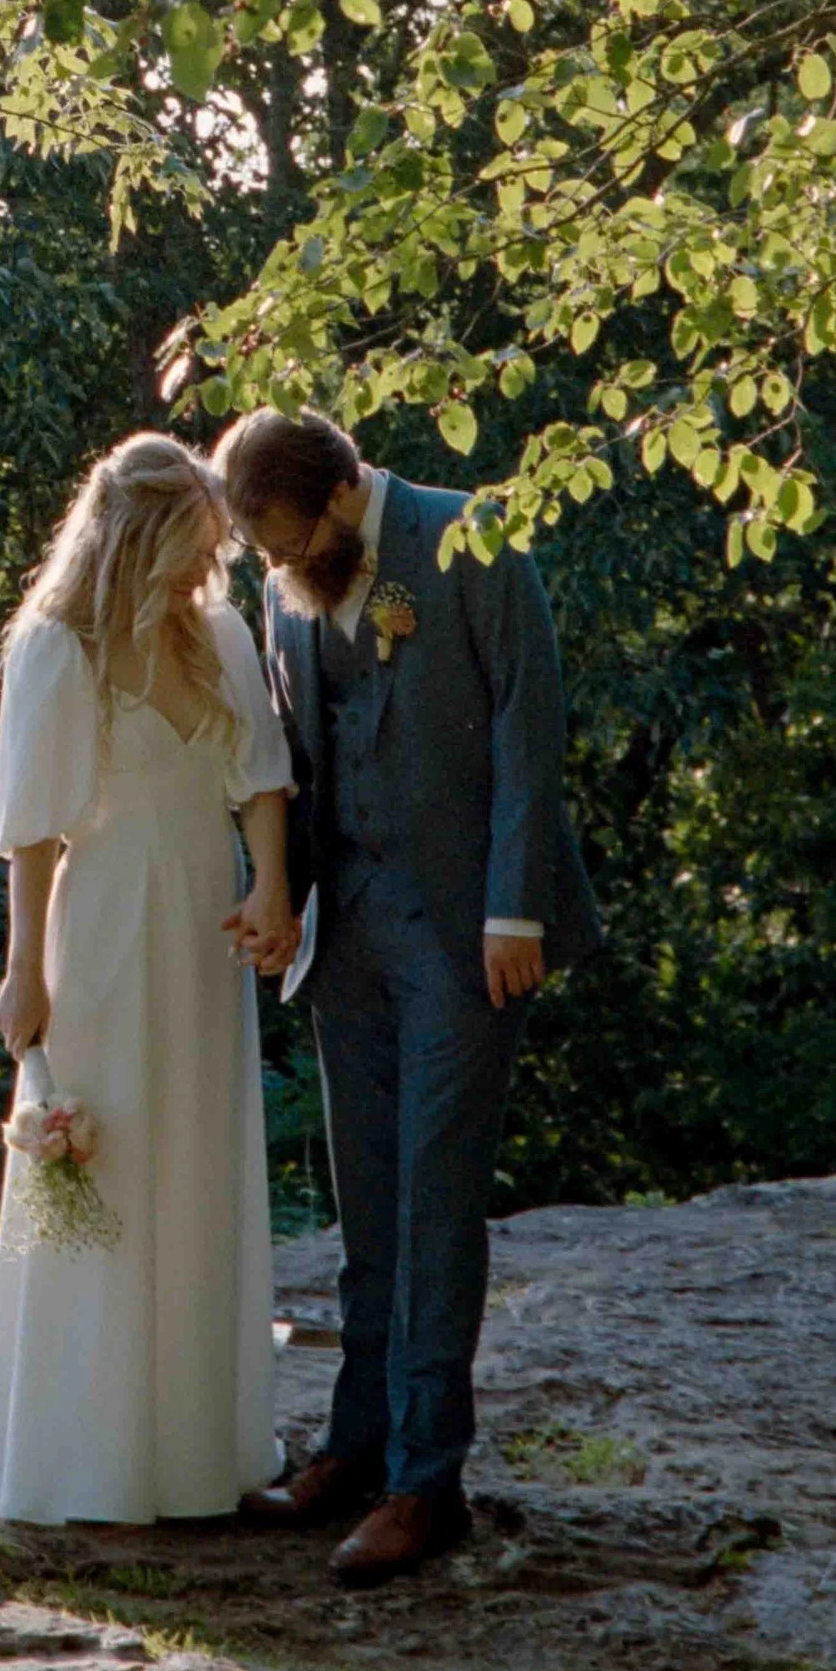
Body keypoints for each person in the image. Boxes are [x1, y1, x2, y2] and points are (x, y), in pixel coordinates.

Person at [213, 406, 603, 1588]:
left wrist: (514, 913)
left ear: (340, 491)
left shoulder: (476, 541)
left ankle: (425, 1482)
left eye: (283, 540)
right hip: (351, 937)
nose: (276, 568)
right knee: (364, 1199)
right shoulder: (293, 585)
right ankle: (357, 1441)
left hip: (467, 934)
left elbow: (526, 732)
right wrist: (273, 898)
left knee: (435, 1196)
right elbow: (292, 747)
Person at [0, 433, 297, 1526]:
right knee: (103, 1177)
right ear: (134, 535)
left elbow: (260, 775)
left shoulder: (214, 633)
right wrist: (25, 977)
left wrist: (270, 888)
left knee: (194, 1158)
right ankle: (92, 1455)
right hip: (105, 925)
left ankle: (196, 1449)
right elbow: (29, 834)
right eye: (190, 545)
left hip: (205, 926)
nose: (205, 570)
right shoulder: (55, 647)